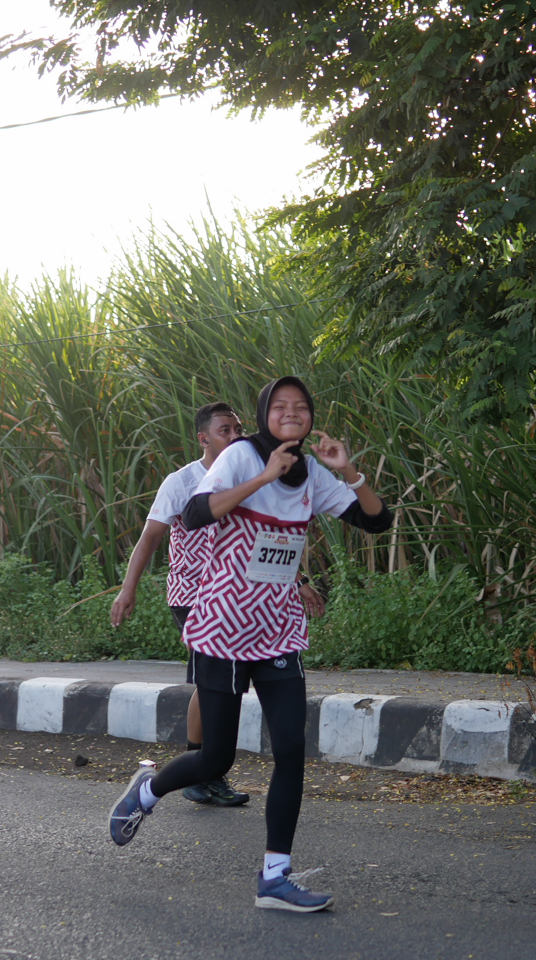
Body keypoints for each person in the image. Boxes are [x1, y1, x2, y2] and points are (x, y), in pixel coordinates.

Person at [107, 376, 392, 913]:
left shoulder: (311, 473)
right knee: (214, 757)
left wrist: (348, 471)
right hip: (223, 625)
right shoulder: (240, 456)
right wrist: (263, 476)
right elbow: (195, 513)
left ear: (310, 417)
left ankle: (275, 878)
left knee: (291, 752)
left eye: (301, 406)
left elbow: (377, 521)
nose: (291, 412)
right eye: (280, 405)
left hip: (278, 628)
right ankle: (147, 791)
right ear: (265, 414)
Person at [110, 401, 325, 805]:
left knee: (217, 688)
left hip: (238, 599)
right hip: (194, 597)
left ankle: (205, 769)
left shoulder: (251, 479)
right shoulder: (182, 481)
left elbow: (264, 539)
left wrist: (297, 580)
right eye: (225, 430)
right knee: (211, 686)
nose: (236, 436)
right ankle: (201, 771)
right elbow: (151, 536)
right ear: (203, 438)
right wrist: (128, 589)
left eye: (239, 429)